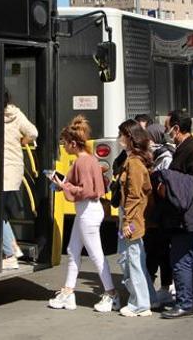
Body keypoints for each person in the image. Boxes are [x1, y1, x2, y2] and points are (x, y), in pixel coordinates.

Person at [48, 115, 119, 312]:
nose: (63, 146)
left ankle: (112, 294)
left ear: (72, 143)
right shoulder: (89, 160)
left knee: (95, 255)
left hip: (87, 211)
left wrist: (64, 185)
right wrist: (67, 185)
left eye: (64, 142)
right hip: (87, 211)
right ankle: (68, 292)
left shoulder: (81, 162)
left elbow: (86, 190)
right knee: (73, 251)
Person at [160, 110, 193, 319]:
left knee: (180, 259)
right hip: (189, 213)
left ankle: (184, 302)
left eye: (167, 128)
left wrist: (170, 185)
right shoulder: (184, 148)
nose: (166, 132)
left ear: (176, 129)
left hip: (186, 214)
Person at [116, 119, 157, 317]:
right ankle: (149, 298)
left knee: (132, 260)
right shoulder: (134, 160)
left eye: (121, 135)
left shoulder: (133, 163)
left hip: (132, 219)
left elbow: (134, 195)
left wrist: (127, 222)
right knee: (135, 258)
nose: (119, 139)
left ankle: (139, 303)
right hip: (135, 217)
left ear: (129, 138)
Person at [0, 89, 39, 270]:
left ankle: (9, 254)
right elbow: (33, 132)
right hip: (14, 169)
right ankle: (12, 248)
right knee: (1, 211)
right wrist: (22, 141)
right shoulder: (16, 114)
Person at [144, 122, 175, 303]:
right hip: (157, 214)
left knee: (157, 252)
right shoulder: (157, 156)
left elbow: (164, 185)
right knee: (159, 252)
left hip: (161, 214)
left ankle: (161, 289)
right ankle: (162, 287)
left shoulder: (166, 158)